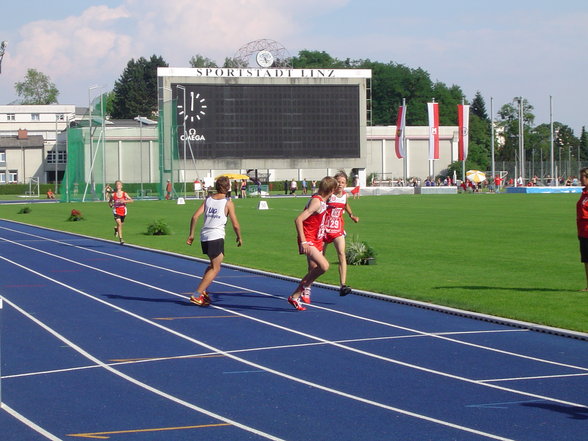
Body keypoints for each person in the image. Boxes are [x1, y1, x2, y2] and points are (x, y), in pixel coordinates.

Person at [186, 176, 242, 306]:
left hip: (204, 236)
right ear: (228, 187)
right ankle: (197, 295)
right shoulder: (228, 203)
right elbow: (236, 224)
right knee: (216, 268)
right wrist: (239, 236)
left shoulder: (208, 200)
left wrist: (191, 234)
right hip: (215, 237)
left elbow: (195, 217)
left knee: (212, 265)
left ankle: (203, 291)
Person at [288, 176, 338, 311]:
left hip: (317, 239)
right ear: (331, 190)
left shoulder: (320, 199)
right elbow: (298, 219)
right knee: (324, 266)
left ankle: (297, 295)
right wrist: (303, 241)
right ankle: (300, 291)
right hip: (309, 239)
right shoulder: (317, 201)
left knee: (313, 268)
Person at [322, 171, 359, 297]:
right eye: (338, 182)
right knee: (319, 261)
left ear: (346, 184)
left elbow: (345, 205)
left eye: (343, 183)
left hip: (337, 229)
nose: (340, 185)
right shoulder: (328, 195)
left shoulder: (345, 195)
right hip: (324, 230)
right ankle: (307, 286)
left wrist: (351, 215)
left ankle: (342, 285)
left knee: (342, 254)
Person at [109, 180, 133, 245]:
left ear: (121, 186)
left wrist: (124, 201)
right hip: (116, 211)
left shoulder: (124, 193)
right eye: (117, 184)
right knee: (119, 224)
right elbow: (110, 202)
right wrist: (110, 205)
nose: (118, 185)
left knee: (121, 225)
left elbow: (131, 200)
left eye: (119, 184)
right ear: (115, 186)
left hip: (123, 211)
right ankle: (121, 239)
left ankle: (116, 229)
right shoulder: (113, 194)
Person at [577, 168, 588, 291]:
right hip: (583, 231)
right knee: (586, 261)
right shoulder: (584, 193)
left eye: (583, 177)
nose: (581, 179)